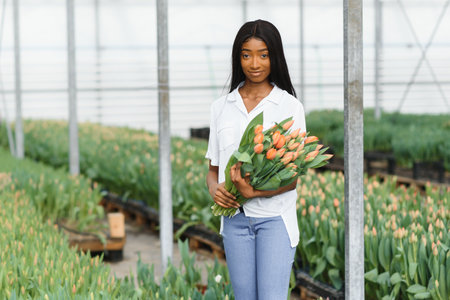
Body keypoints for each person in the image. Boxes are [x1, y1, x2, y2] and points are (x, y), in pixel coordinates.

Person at [205, 19, 306, 300]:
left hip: (274, 220)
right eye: (246, 55)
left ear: (275, 57)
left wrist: (255, 191)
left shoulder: (289, 107)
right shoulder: (221, 108)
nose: (255, 63)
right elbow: (212, 170)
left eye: (263, 54)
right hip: (235, 221)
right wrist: (217, 192)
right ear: (238, 57)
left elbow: (293, 178)